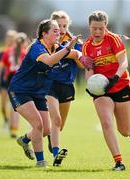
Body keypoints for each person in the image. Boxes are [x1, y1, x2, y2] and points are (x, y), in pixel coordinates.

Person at [8, 19, 82, 167]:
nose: (59, 32)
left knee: (46, 129)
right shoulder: (38, 47)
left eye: (59, 30)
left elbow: (73, 53)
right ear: (44, 34)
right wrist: (67, 49)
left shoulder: (54, 46)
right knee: (37, 124)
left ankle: (24, 140)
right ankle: (41, 162)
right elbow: (49, 61)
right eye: (55, 30)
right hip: (20, 90)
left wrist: (82, 56)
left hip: (38, 93)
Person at [82, 10, 130, 171]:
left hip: (120, 84)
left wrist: (114, 78)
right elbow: (88, 69)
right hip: (101, 90)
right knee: (106, 122)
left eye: (100, 28)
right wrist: (90, 85)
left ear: (105, 26)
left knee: (123, 129)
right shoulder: (87, 46)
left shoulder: (113, 39)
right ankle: (118, 162)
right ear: (89, 27)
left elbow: (124, 63)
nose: (97, 32)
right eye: (94, 28)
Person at [46, 10, 84, 167]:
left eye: (64, 25)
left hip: (67, 86)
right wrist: (70, 51)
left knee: (59, 126)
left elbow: (82, 65)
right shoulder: (47, 42)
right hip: (49, 84)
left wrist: (77, 53)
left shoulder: (76, 43)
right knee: (56, 120)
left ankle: (26, 138)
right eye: (58, 26)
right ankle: (56, 155)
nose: (61, 29)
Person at [0, 32, 29, 138]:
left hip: (9, 79)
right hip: (20, 80)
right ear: (24, 42)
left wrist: (2, 79)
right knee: (16, 106)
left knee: (12, 105)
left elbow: (3, 68)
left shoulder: (7, 51)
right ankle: (14, 128)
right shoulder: (25, 53)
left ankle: (12, 127)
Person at [0, 30, 17, 131]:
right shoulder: (2, 51)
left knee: (13, 105)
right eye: (8, 37)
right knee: (3, 106)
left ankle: (13, 127)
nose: (9, 40)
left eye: (12, 38)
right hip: (4, 81)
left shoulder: (18, 51)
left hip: (14, 81)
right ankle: (6, 120)